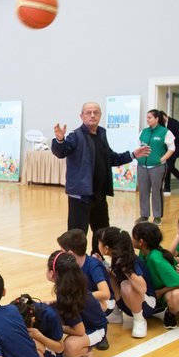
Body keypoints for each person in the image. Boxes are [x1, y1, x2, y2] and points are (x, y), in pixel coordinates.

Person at [52, 102, 150, 254]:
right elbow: (61, 152)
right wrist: (59, 140)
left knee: (102, 232)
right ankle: (74, 262)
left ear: (100, 115)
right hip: (80, 196)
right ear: (81, 116)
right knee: (77, 235)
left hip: (99, 194)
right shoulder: (75, 135)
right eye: (88, 112)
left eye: (96, 112)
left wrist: (132, 155)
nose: (92, 115)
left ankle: (97, 257)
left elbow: (110, 158)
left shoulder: (101, 134)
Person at [44, 251, 107, 357]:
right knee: (48, 312)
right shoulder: (68, 286)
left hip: (96, 330)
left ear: (52, 273)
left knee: (70, 346)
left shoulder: (68, 296)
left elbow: (79, 330)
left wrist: (58, 326)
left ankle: (87, 351)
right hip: (83, 323)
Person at [96, 227, 163, 339]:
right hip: (129, 303)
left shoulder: (130, 260)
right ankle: (116, 313)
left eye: (99, 242)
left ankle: (140, 320)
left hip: (146, 305)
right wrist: (103, 265)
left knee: (126, 285)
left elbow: (142, 288)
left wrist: (127, 271)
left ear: (106, 248)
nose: (98, 244)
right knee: (107, 276)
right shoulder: (116, 258)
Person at [57, 228, 116, 348]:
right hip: (87, 301)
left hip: (105, 303)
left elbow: (105, 293)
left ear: (70, 254)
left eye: (62, 251)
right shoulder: (72, 267)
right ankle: (81, 327)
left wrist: (79, 297)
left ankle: (100, 332)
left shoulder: (93, 266)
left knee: (80, 303)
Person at [131, 222, 179, 329]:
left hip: (171, 290)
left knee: (178, 295)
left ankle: (171, 312)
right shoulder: (144, 252)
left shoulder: (156, 258)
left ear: (141, 242)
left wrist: (160, 292)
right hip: (157, 290)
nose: (131, 239)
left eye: (133, 237)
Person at [10, 293, 64, 357]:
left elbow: (60, 348)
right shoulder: (17, 310)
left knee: (31, 343)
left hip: (52, 352)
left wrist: (39, 336)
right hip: (35, 350)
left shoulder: (50, 315)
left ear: (33, 320)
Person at [137, 109, 175, 225]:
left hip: (157, 167)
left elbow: (172, 149)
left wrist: (161, 159)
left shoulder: (165, 132)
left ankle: (157, 216)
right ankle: (144, 215)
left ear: (157, 119)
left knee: (156, 191)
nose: (147, 119)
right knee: (143, 191)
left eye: (150, 117)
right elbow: (138, 147)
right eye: (147, 117)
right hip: (142, 166)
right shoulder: (143, 132)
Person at [160, 111, 179, 195]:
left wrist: (170, 140)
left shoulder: (174, 122)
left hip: (174, 149)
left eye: (162, 119)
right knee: (167, 167)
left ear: (165, 116)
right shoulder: (161, 124)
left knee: (170, 167)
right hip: (166, 150)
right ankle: (167, 188)